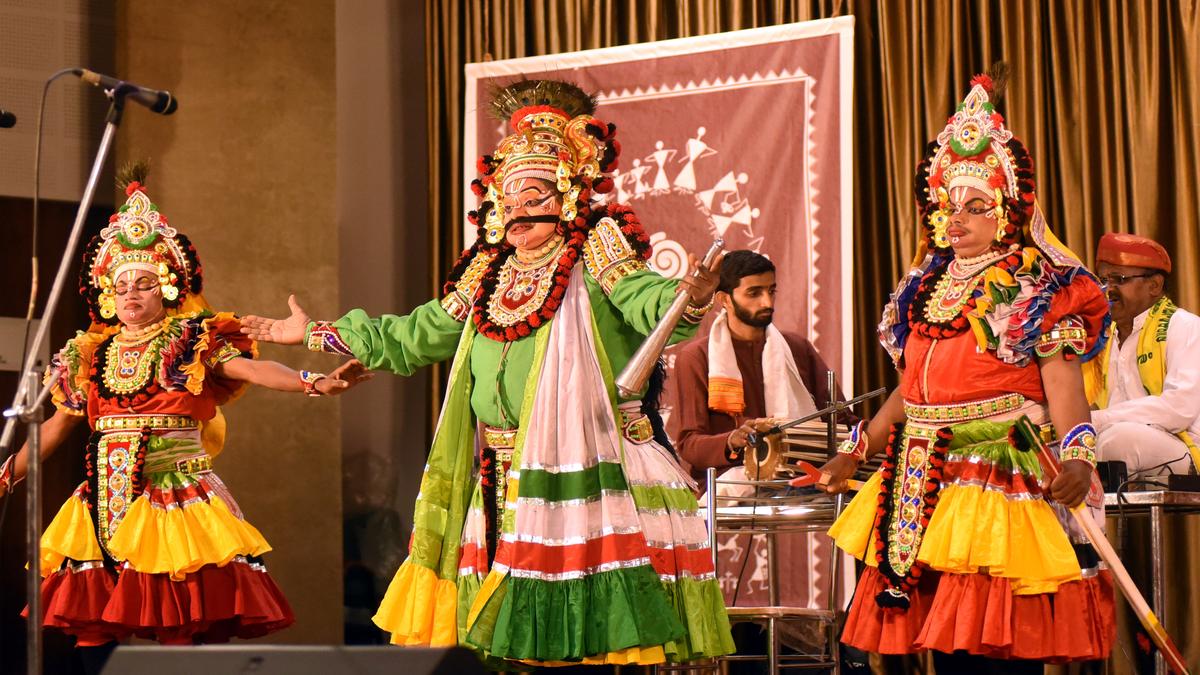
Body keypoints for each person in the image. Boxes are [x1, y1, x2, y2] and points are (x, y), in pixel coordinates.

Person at [241, 80, 735, 667]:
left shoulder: (596, 250)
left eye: (531, 194)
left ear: (568, 196)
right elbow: (412, 335)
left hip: (588, 468)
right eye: (505, 197)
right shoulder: (487, 272)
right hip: (499, 473)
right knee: (507, 640)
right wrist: (317, 334)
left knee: (589, 640)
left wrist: (689, 299)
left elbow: (653, 306)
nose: (514, 211)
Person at [0, 170, 369, 669]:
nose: (131, 294)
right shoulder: (89, 354)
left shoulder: (190, 340)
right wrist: (5, 475)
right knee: (95, 624)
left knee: (178, 620)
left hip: (173, 495)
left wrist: (314, 381)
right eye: (122, 284)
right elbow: (58, 427)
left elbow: (254, 368)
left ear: (168, 288)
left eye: (145, 283)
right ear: (109, 293)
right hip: (101, 498)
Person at [819, 71, 1115, 671]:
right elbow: (912, 390)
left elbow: (1064, 386)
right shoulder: (924, 287)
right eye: (947, 207)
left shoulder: (1036, 287)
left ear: (1007, 212)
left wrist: (1081, 458)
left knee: (990, 644)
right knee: (939, 640)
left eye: (975, 207)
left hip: (992, 470)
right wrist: (859, 447)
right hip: (917, 473)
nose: (955, 219)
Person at [673, 249, 854, 481]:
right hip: (729, 491)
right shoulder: (696, 357)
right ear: (724, 299)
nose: (767, 302)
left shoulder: (797, 348)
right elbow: (690, 445)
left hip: (800, 482)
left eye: (771, 291)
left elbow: (843, 422)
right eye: (754, 293)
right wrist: (731, 440)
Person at [1087, 232, 1199, 475]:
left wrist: (1097, 420)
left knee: (1118, 440)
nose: (1108, 289)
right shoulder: (1103, 339)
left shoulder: (1185, 326)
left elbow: (1179, 409)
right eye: (1103, 279)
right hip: (1113, 438)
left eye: (1119, 279)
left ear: (1154, 285)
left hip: (1185, 448)